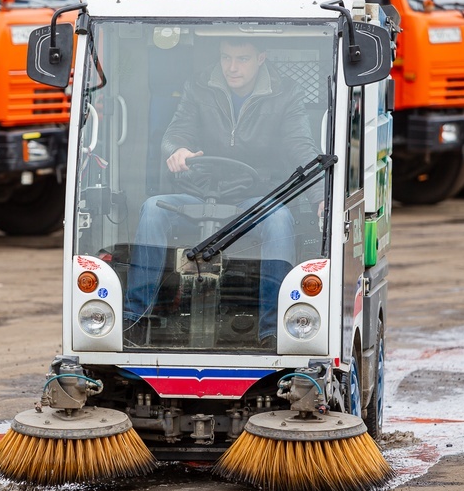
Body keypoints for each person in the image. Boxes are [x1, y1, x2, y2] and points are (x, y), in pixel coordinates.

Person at [124, 37, 323, 349]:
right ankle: (135, 318)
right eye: (226, 57)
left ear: (261, 57)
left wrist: (320, 197)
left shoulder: (286, 94)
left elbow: (301, 146)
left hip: (251, 202)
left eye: (242, 59)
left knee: (280, 218)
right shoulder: (199, 86)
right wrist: (177, 149)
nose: (232, 67)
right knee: (154, 208)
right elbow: (175, 134)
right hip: (199, 195)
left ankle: (271, 329)